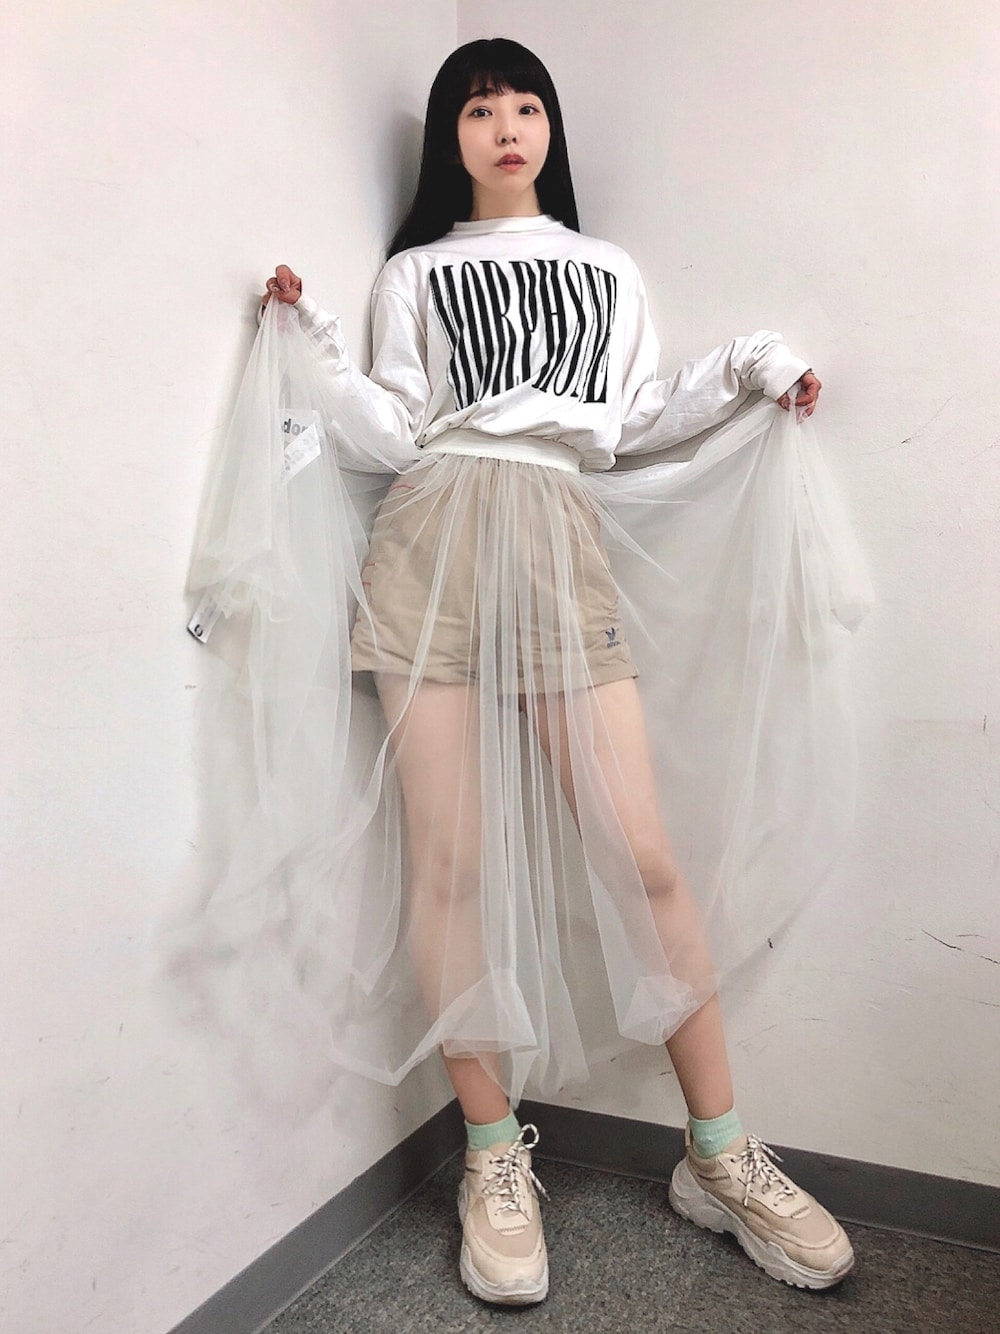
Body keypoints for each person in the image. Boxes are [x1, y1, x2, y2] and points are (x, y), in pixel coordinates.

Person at [259, 37, 853, 1307]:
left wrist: (750, 366)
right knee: (451, 863)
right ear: (450, 135)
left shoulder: (603, 269)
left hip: (558, 543)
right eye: (480, 109)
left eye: (526, 105)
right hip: (428, 544)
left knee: (642, 855)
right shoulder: (415, 272)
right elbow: (391, 429)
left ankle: (718, 1152)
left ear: (550, 126)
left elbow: (627, 421)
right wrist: (312, 338)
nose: (507, 127)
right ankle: (491, 1154)